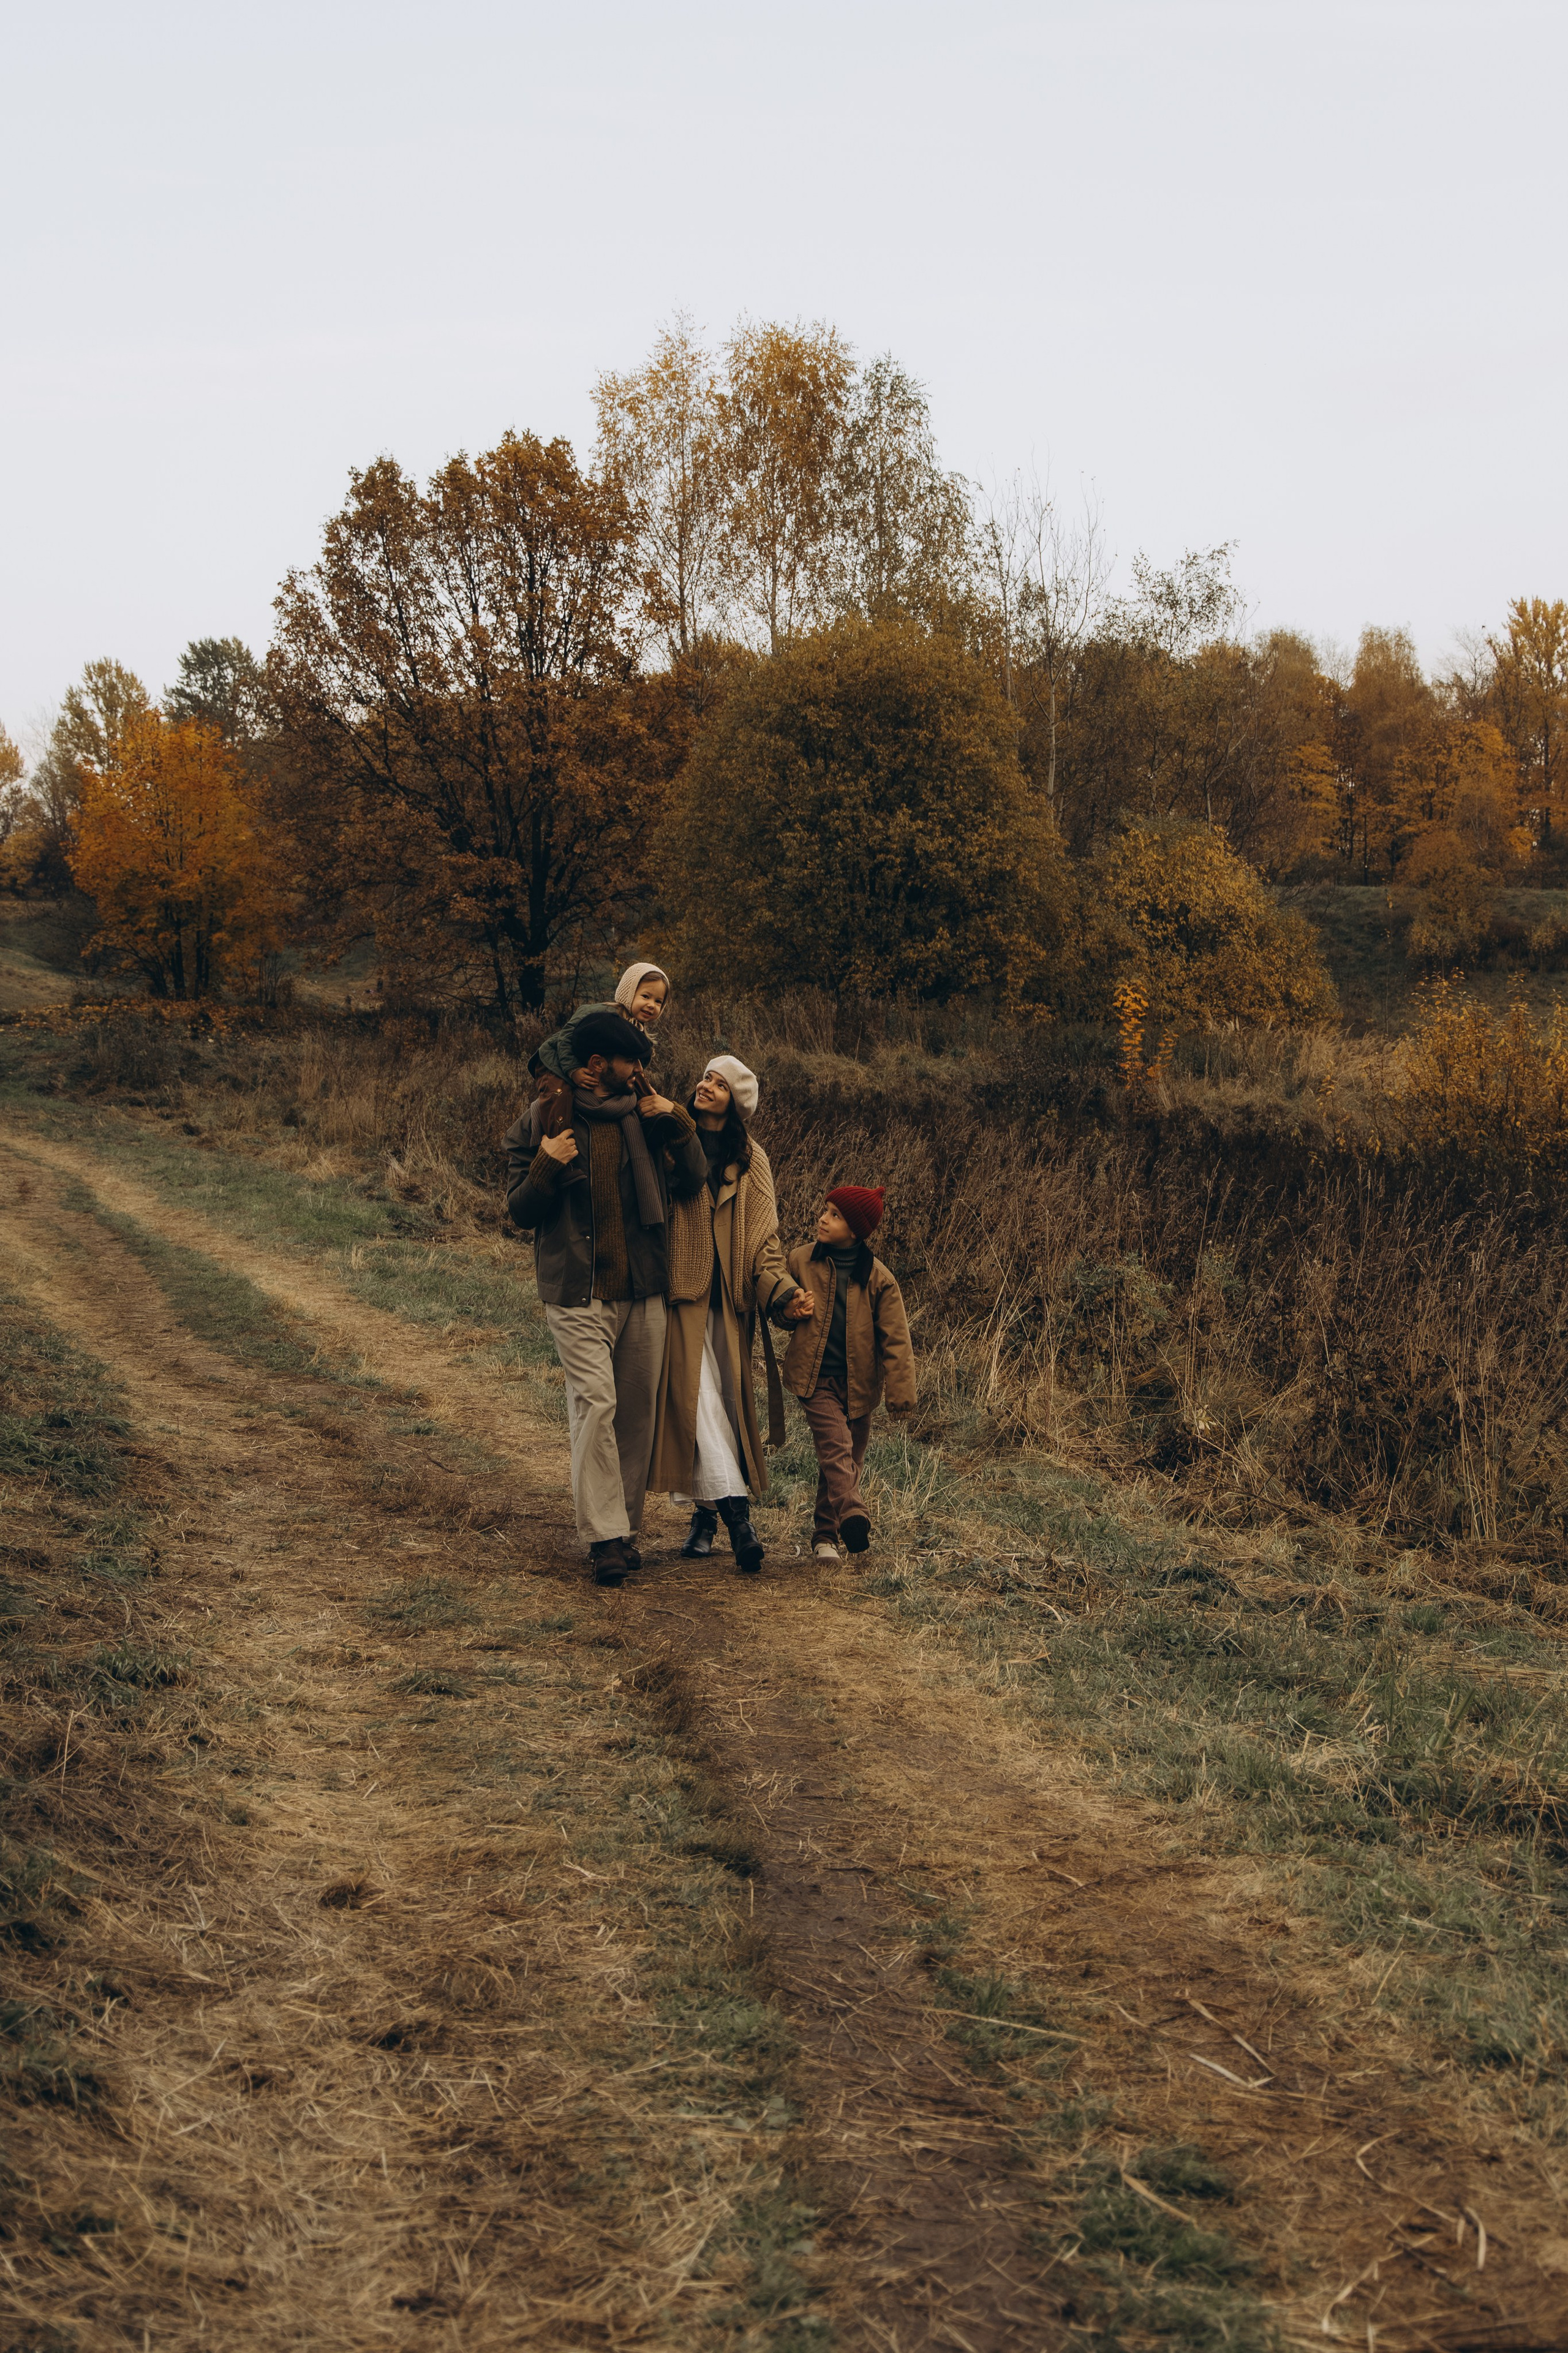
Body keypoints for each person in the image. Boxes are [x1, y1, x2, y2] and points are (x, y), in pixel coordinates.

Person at [505, 1009, 706, 1587]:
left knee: (636, 1415)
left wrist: (678, 1119)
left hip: (643, 1286)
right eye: (631, 1063)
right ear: (598, 1065)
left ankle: (625, 1531)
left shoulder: (645, 1115)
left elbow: (691, 1179)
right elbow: (519, 1210)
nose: (641, 1071)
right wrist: (547, 1163)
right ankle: (604, 1540)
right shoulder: (545, 1119)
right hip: (577, 1289)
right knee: (597, 1405)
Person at [649, 1055, 812, 1574]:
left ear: (736, 1101)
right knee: (694, 1402)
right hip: (681, 1290)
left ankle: (704, 1518)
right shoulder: (671, 1137)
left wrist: (783, 1291)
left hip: (732, 1299)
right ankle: (739, 1518)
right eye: (705, 1077)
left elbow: (765, 1243)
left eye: (720, 1084)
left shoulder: (753, 1158)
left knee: (719, 1403)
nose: (706, 1085)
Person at [781, 1185, 915, 1560]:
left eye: (835, 1215)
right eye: (825, 1210)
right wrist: (789, 1310)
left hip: (859, 1386)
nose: (823, 1218)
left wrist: (900, 1396)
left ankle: (825, 1537)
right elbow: (778, 1304)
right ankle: (854, 1512)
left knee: (843, 1459)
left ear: (855, 1230)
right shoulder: (800, 1261)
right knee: (837, 1448)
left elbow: (896, 1340)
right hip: (815, 1378)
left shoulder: (879, 1278)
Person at [531, 963, 671, 1136]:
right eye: (645, 997)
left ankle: (657, 1123)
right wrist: (573, 1070)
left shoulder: (637, 1028)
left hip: (591, 1066)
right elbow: (565, 1038)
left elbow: (635, 1061)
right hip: (555, 1062)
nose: (651, 1005)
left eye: (658, 1001)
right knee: (560, 1099)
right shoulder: (601, 1013)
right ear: (629, 994)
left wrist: (646, 1089)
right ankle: (558, 1140)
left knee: (640, 1087)